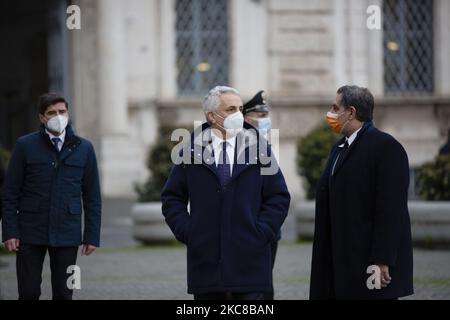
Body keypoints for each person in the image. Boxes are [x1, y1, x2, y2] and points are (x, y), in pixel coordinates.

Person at [161, 86, 290, 300]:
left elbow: (278, 196)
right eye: (231, 109)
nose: (239, 115)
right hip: (206, 266)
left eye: (240, 108)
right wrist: (190, 232)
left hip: (250, 264)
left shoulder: (260, 148)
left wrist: (261, 232)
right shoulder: (190, 151)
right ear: (212, 116)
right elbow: (172, 198)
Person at [310, 85, 413, 300]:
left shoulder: (385, 147)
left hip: (368, 264)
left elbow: (391, 210)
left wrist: (382, 260)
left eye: (335, 108)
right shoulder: (339, 148)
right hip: (340, 261)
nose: (331, 113)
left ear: (351, 112)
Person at [2, 93, 102, 300]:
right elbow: (10, 192)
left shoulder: (84, 148)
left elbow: (92, 196)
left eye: (62, 111)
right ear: (42, 117)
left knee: (65, 293)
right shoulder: (24, 146)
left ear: (68, 113)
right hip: (30, 231)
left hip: (68, 232)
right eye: (52, 113)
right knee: (28, 292)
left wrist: (92, 235)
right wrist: (10, 231)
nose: (58, 116)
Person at [243, 90, 279, 300]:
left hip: (269, 226)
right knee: (255, 283)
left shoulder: (268, 141)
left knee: (266, 280)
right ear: (248, 119)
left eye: (267, 115)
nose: (267, 120)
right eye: (261, 116)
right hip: (253, 224)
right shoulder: (245, 144)